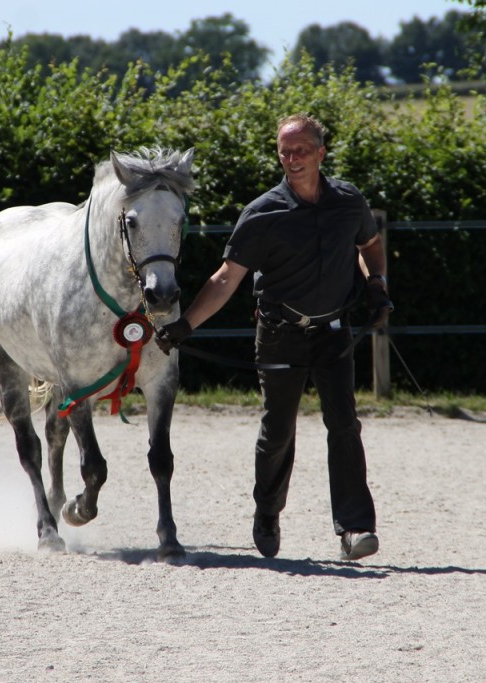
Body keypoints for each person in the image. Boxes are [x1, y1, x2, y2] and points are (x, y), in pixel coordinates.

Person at [156, 113, 393, 561]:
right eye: (285, 151)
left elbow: (370, 247)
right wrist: (186, 325)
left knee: (344, 425)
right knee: (278, 430)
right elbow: (226, 278)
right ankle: (267, 512)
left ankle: (355, 528)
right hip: (280, 334)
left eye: (301, 150)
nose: (292, 158)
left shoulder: (348, 201)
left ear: (321, 153)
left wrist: (376, 285)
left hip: (334, 333)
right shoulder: (263, 213)